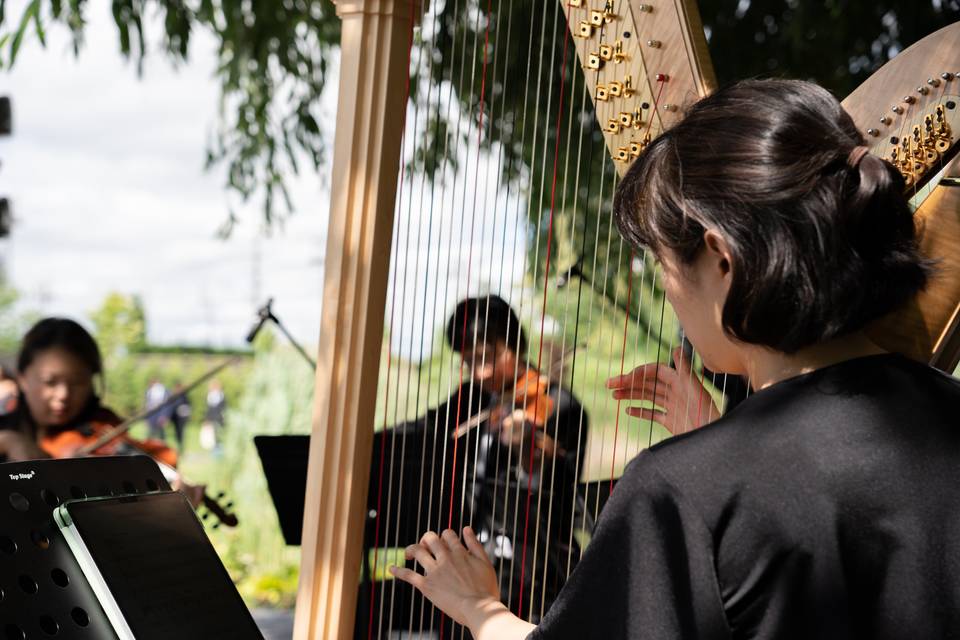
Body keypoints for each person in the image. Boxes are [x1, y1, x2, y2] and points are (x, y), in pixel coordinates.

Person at [388, 79, 960, 639]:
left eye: (662, 264)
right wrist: (719, 438)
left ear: (721, 260)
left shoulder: (680, 487)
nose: (666, 289)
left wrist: (480, 608)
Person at [363, 295, 589, 629]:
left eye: (487, 357)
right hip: (467, 561)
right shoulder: (471, 398)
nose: (480, 372)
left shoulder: (560, 407)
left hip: (531, 570)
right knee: (365, 602)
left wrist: (526, 448)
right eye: (469, 361)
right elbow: (423, 429)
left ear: (515, 344)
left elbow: (553, 499)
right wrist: (366, 444)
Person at [168, 381, 191, 452]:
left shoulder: (184, 396)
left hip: (181, 418)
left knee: (181, 433)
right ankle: (177, 446)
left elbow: (187, 406)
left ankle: (180, 447)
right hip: (175, 418)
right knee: (176, 433)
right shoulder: (173, 396)